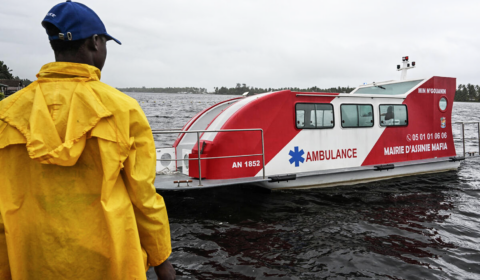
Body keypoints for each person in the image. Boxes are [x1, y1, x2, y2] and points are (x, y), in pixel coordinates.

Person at [0, 1, 175, 279]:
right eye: (105, 42)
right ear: (95, 42)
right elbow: (143, 197)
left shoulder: (6, 113)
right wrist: (161, 259)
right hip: (112, 261)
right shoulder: (123, 109)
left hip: (31, 258)